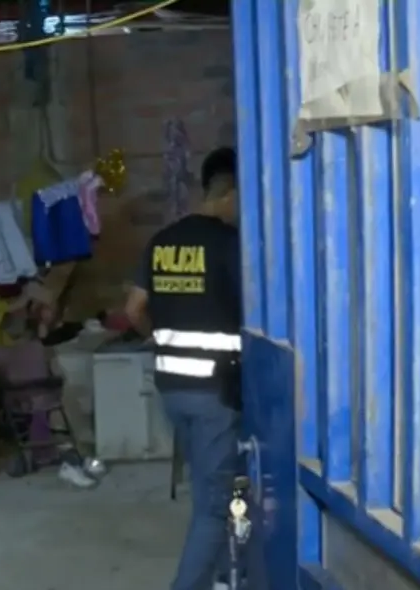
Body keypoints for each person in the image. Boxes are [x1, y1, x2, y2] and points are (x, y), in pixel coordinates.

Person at [124, 146, 242, 590]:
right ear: (231, 193)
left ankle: (228, 573)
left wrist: (158, 336)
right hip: (217, 391)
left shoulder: (162, 242)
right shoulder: (231, 245)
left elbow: (133, 308)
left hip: (173, 389)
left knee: (219, 488)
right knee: (217, 503)